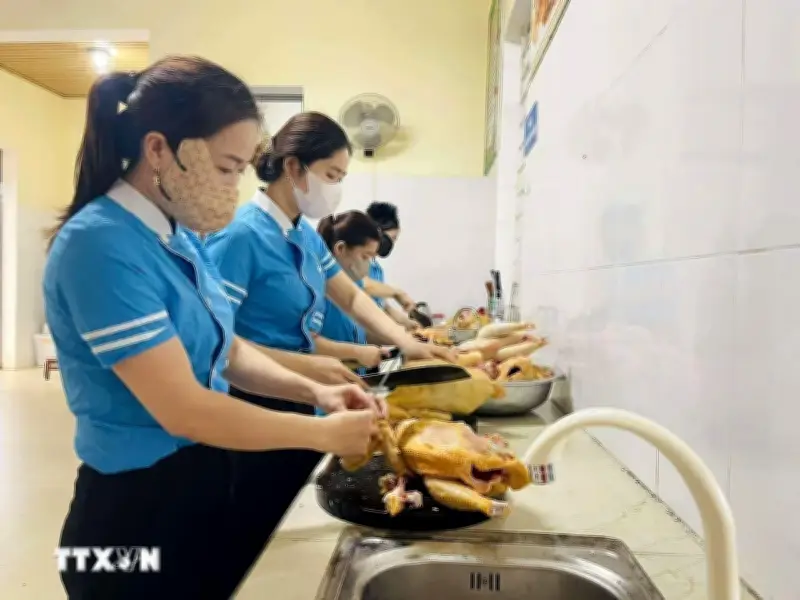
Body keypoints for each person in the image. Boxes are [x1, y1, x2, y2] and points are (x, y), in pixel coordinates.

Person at [44, 57, 382, 600]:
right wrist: (321, 433)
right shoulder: (99, 245)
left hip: (199, 482)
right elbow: (184, 409)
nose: (234, 186)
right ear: (159, 149)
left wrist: (313, 391)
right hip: (129, 518)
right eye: (226, 168)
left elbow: (227, 348)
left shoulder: (178, 238)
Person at [205, 111, 454, 584]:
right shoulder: (240, 236)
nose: (335, 189)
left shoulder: (301, 233)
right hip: (254, 400)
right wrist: (312, 367)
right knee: (262, 535)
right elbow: (223, 343)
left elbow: (351, 296)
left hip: (302, 392)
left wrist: (409, 343)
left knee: (297, 518)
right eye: (331, 175)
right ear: (293, 167)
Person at [364, 201, 420, 329]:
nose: (392, 245)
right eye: (392, 238)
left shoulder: (376, 268)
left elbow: (382, 306)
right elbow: (360, 284)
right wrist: (397, 293)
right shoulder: (356, 262)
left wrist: (410, 324)